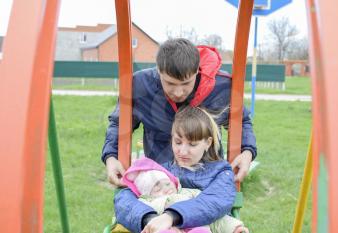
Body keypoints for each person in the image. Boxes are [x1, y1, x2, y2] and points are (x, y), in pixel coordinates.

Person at [102, 38, 257, 187]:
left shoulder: (221, 87)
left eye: (185, 83)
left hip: (208, 180)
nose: (177, 92)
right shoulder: (140, 85)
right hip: (160, 181)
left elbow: (241, 122)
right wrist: (111, 157)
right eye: (170, 83)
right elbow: (119, 123)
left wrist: (247, 152)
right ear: (158, 70)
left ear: (197, 70)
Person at [114, 106, 248, 233]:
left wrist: (171, 216)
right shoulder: (161, 171)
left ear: (208, 143)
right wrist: (149, 218)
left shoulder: (220, 172)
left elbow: (214, 201)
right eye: (178, 142)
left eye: (192, 144)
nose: (183, 151)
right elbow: (124, 200)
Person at [122, 157, 249, 233]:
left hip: (197, 227)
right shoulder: (146, 203)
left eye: (167, 184)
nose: (165, 189)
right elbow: (139, 216)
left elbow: (214, 217)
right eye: (157, 188)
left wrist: (234, 227)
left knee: (202, 229)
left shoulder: (190, 193)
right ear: (148, 195)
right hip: (169, 229)